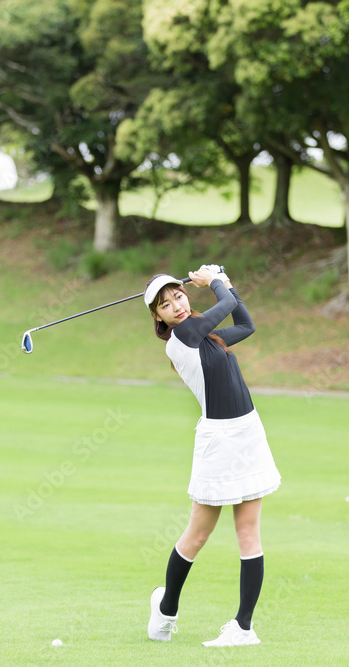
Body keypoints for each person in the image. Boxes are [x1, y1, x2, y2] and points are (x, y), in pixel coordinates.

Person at [144, 265, 281, 648]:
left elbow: (246, 324)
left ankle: (243, 627)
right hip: (218, 441)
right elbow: (225, 305)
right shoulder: (182, 337)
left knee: (248, 533)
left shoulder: (208, 336)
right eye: (165, 305)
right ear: (158, 317)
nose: (176, 305)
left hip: (248, 433)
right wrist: (215, 281)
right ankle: (166, 610)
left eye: (178, 296)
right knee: (198, 533)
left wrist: (227, 284)